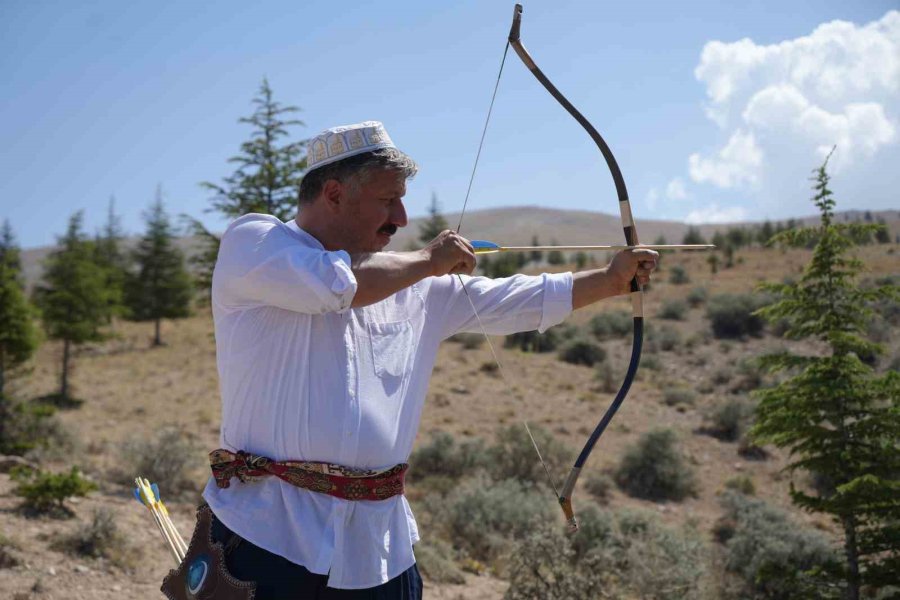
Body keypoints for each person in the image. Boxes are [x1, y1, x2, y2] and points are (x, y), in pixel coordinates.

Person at [200, 121, 658, 599]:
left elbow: (514, 299)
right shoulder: (255, 243)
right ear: (333, 194)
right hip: (266, 537)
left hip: (379, 548)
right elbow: (336, 285)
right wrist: (429, 260)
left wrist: (610, 280)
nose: (400, 218)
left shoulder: (411, 280)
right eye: (387, 200)